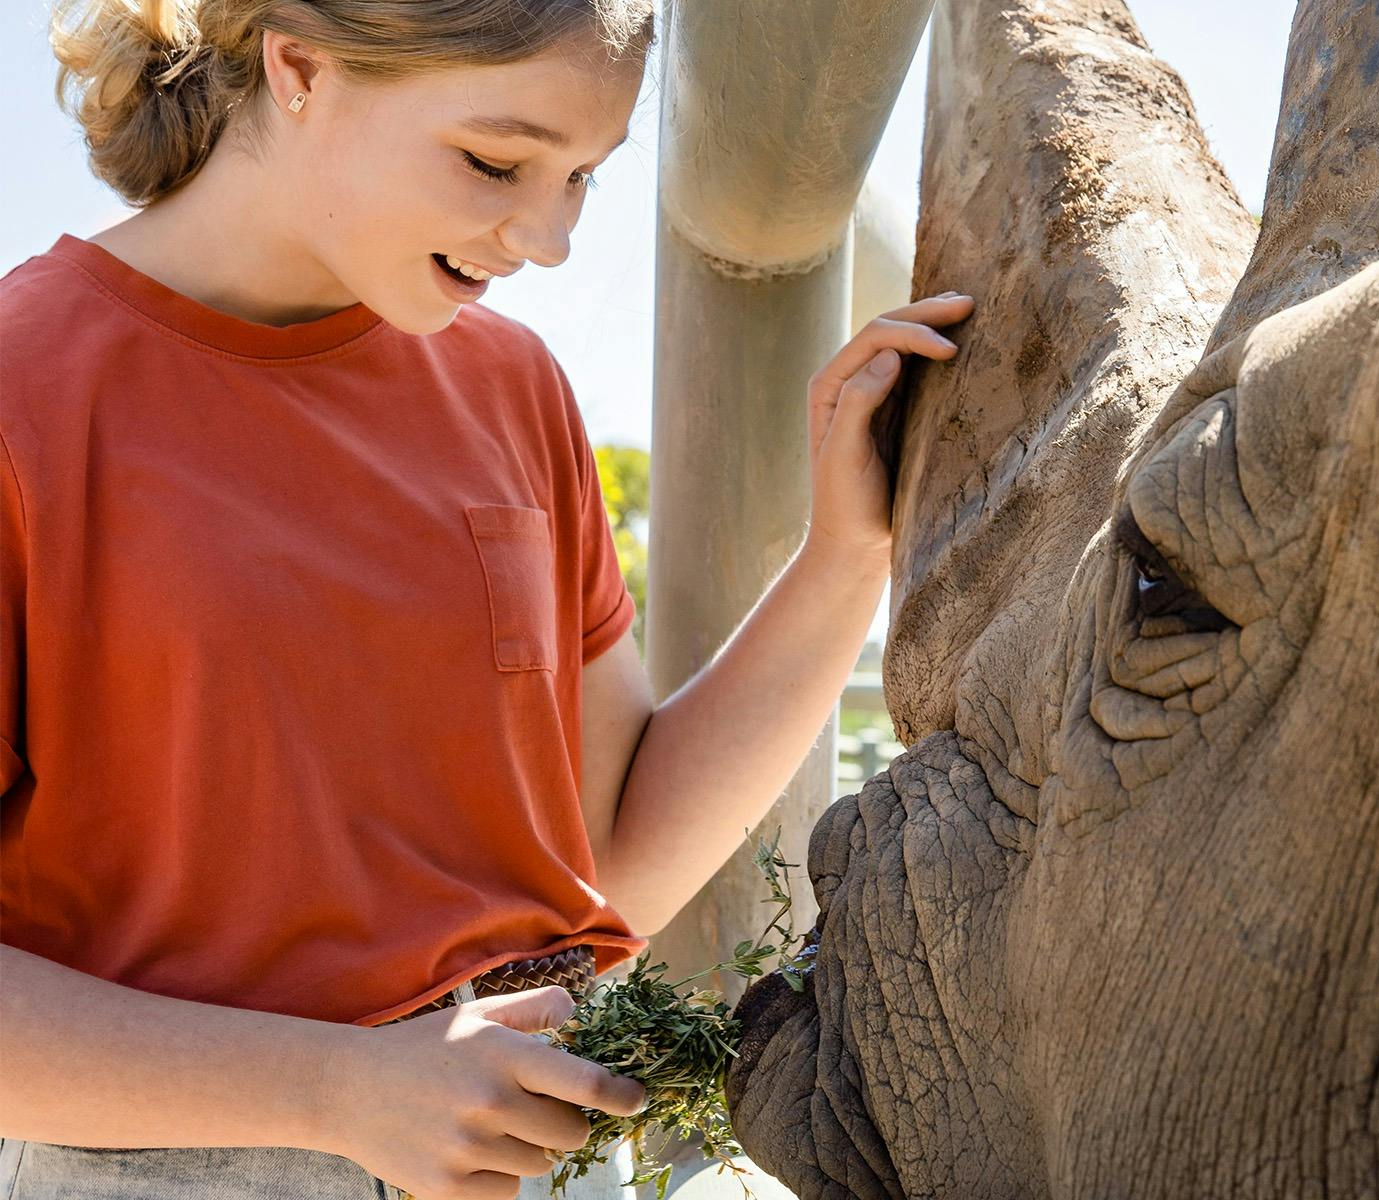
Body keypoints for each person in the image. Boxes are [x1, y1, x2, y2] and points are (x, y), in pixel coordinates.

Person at [0, 0, 974, 1197]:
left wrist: (847, 555)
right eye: (496, 161)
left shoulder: (513, 387)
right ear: (300, 68)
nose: (549, 237)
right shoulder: (22, 393)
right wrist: (339, 1090)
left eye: (586, 179)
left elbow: (610, 860)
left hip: (548, 1156)